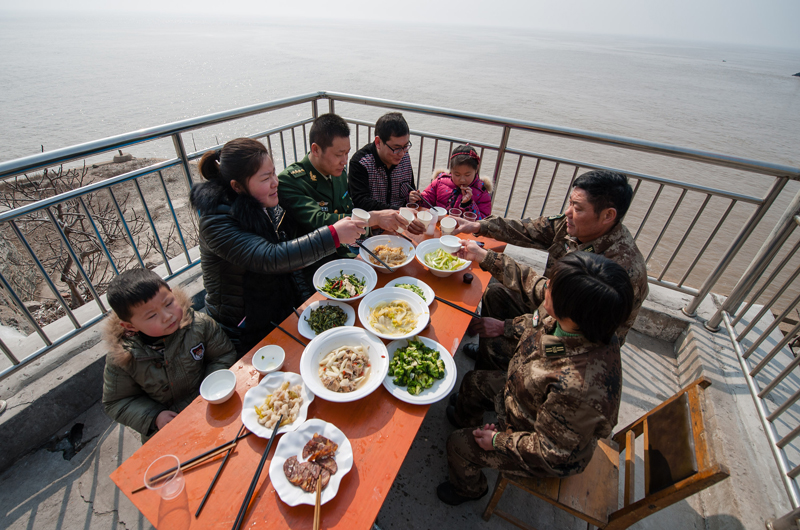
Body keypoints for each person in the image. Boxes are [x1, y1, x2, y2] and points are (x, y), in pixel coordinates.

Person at [437, 250, 634, 505]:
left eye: (552, 286)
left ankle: (470, 489)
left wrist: (498, 440)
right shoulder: (582, 324)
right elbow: (538, 319)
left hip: (542, 447)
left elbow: (551, 452)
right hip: (526, 397)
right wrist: (484, 258)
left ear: (571, 310)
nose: (546, 286)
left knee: (457, 445)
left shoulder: (579, 389)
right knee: (473, 382)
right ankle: (468, 420)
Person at [453, 170, 648, 370]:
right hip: (552, 303)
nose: (568, 213)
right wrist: (479, 226)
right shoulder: (572, 223)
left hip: (573, 343)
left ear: (608, 215)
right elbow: (527, 229)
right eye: (570, 203)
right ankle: (491, 361)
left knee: (498, 348)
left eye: (577, 207)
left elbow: (570, 328)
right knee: (495, 294)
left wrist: (507, 328)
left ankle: (501, 379)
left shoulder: (617, 271)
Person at [190, 137, 366, 354]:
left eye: (274, 172)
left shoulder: (262, 203)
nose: (276, 182)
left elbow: (288, 265)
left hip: (274, 309)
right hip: (243, 328)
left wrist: (303, 307)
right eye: (266, 178)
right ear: (237, 186)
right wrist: (333, 235)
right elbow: (270, 257)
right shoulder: (216, 222)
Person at [278, 113, 422, 285]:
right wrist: (374, 218)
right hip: (311, 267)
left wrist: (381, 222)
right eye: (339, 154)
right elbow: (318, 221)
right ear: (315, 150)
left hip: (344, 254)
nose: (345, 161)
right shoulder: (290, 181)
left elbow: (347, 211)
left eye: (347, 153)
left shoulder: (336, 173)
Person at [101, 268, 238, 442]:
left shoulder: (199, 325)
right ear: (130, 326)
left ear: (172, 293)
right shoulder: (123, 357)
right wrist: (154, 417)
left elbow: (223, 354)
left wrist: (213, 385)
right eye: (152, 316)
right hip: (169, 430)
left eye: (168, 303)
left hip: (212, 405)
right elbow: (116, 402)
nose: (167, 316)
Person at [348, 112, 419, 211]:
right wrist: (398, 211)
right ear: (378, 142)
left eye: (406, 146)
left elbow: (410, 189)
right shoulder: (360, 163)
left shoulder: (404, 156)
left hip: (402, 219)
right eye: (396, 148)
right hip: (372, 222)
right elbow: (361, 203)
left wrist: (412, 196)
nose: (402, 153)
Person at [419, 145, 492, 219]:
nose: (462, 180)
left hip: (463, 230)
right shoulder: (440, 182)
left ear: (476, 170)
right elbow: (425, 202)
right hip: (437, 227)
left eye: (467, 175)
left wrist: (468, 204)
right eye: (457, 175)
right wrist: (417, 199)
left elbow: (483, 222)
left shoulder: (482, 193)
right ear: (451, 171)